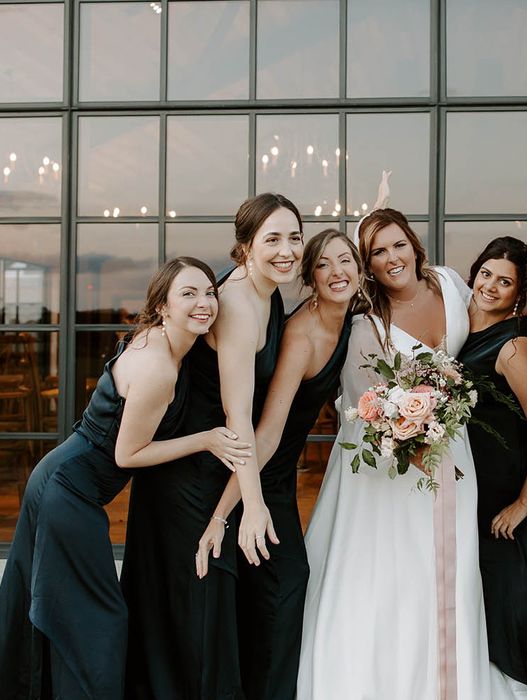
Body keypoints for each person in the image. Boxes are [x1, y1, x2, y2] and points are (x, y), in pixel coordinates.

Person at [0, 257, 247, 699]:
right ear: (163, 306)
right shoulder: (158, 367)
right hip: (68, 491)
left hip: (59, 479)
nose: (203, 302)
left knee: (65, 612)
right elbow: (128, 454)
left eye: (209, 292)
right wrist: (206, 438)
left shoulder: (163, 342)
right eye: (187, 294)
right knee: (94, 619)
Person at [297, 208, 494, 699]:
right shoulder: (368, 324)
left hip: (455, 451)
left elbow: (497, 328)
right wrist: (413, 434)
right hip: (397, 467)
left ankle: (452, 676)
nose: (391, 258)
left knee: (455, 571)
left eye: (397, 245)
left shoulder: (451, 286)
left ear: (413, 244)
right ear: (367, 264)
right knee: (400, 576)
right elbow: (364, 411)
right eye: (377, 252)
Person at [121, 194, 303, 699]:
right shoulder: (240, 306)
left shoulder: (271, 293)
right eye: (272, 239)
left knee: (221, 608)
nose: (286, 250)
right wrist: (251, 505)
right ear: (244, 247)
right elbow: (237, 415)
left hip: (220, 463)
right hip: (190, 476)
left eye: (294, 237)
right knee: (202, 610)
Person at [195, 229, 369, 700]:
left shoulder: (352, 317)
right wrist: (227, 510)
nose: (338, 272)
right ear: (310, 277)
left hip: (280, 476)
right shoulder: (303, 333)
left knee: (271, 592)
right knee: (286, 585)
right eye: (324, 265)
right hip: (258, 473)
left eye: (346, 261)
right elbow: (266, 432)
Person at [459, 237, 527, 697]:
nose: (491, 287)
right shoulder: (458, 325)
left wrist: (523, 504)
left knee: (511, 611)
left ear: (519, 293)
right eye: (486, 274)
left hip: (509, 504)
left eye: (505, 282)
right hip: (470, 497)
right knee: (479, 611)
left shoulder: (516, 346)